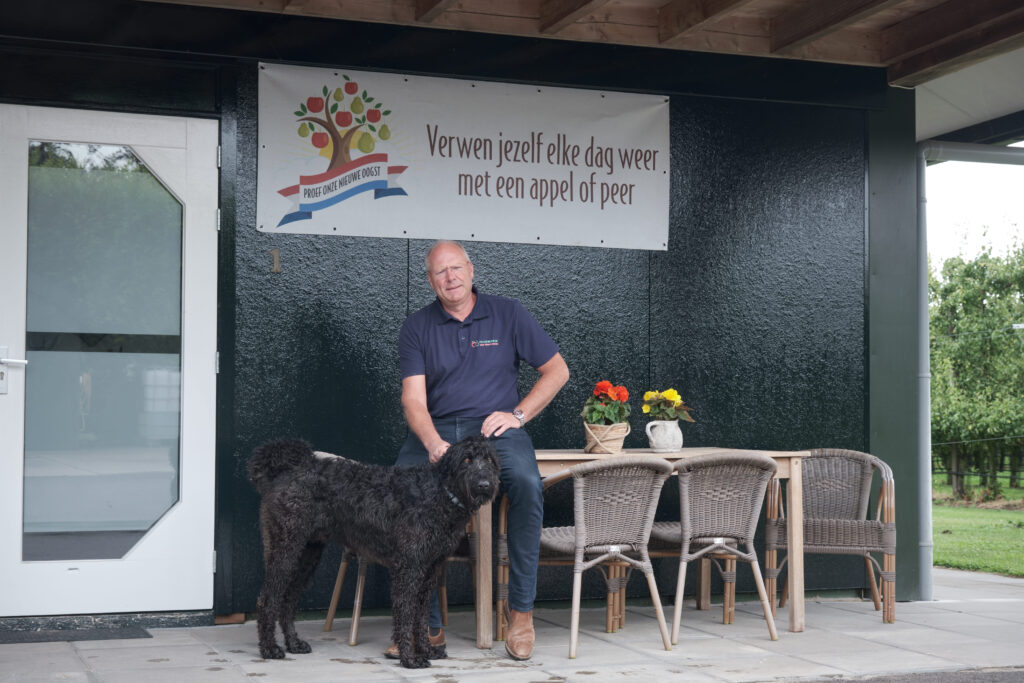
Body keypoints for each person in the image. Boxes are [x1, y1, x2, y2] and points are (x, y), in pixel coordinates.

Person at [391, 240, 569, 661]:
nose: (450, 278)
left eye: (456, 268)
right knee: (402, 493)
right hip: (437, 430)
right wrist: (432, 442)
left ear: (471, 270)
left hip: (496, 431)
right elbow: (413, 400)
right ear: (431, 281)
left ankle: (521, 614)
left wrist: (519, 415)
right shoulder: (417, 326)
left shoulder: (508, 313)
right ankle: (425, 625)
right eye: (440, 272)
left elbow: (556, 370)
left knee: (527, 484)